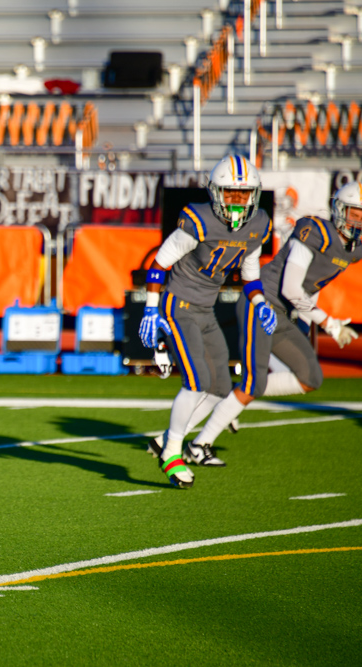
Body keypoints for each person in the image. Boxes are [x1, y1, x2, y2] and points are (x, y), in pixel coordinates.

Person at [186, 181, 362, 457]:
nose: (358, 223)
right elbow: (291, 288)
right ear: (340, 210)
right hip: (262, 304)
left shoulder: (354, 251)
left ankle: (235, 396)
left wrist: (306, 321)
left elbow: (312, 286)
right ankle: (197, 445)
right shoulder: (315, 232)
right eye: (354, 215)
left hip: (282, 313)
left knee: (310, 377)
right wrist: (328, 323)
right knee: (254, 382)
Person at [139, 155, 275, 488]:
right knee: (197, 381)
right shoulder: (199, 221)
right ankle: (172, 452)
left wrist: (260, 303)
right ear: (216, 192)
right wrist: (151, 308)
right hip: (179, 305)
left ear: (254, 195)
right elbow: (158, 265)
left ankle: (166, 439)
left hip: (205, 309)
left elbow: (250, 276)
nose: (237, 201)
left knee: (220, 389)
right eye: (230, 193)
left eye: (243, 194)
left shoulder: (258, 225)